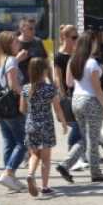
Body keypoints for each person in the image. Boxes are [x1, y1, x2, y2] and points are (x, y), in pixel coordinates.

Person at [56, 31, 103, 183]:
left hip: (76, 100)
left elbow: (68, 83)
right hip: (91, 101)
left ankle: (66, 164)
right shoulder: (92, 63)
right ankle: (95, 173)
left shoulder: (72, 60)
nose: (97, 45)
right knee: (92, 139)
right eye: (95, 42)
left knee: (86, 138)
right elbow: (97, 88)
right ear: (90, 44)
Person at [21, 58, 66, 197]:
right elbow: (57, 109)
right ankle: (45, 187)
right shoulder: (50, 89)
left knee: (34, 154)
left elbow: (22, 109)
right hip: (46, 126)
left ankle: (30, 174)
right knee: (46, 158)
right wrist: (63, 122)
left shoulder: (26, 88)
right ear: (45, 71)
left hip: (31, 125)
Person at [0, 30, 26, 192]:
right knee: (23, 142)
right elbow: (14, 86)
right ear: (8, 44)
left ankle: (9, 176)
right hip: (12, 107)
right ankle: (9, 172)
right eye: (15, 42)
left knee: (8, 141)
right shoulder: (11, 60)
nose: (19, 44)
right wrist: (28, 95)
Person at [54, 24, 87, 171]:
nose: (76, 40)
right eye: (74, 37)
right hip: (69, 95)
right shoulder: (59, 56)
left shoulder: (75, 53)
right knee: (76, 125)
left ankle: (78, 156)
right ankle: (74, 157)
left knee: (79, 125)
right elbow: (57, 77)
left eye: (77, 37)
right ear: (64, 38)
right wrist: (62, 96)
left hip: (79, 92)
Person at [16, 18, 47, 86]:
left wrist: (50, 80)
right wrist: (17, 59)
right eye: (30, 29)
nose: (34, 31)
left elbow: (45, 62)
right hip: (21, 85)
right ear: (21, 30)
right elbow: (7, 65)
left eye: (34, 28)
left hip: (38, 84)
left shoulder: (38, 42)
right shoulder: (14, 43)